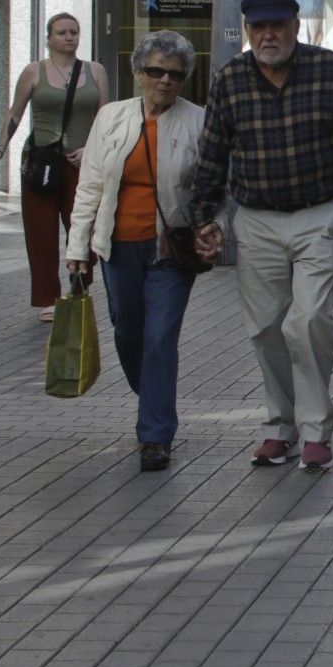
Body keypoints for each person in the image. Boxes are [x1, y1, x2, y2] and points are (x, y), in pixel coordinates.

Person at [191, 0, 333, 474]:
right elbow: (212, 154)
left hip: (317, 214)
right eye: (258, 28)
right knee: (266, 328)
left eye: (277, 25)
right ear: (249, 31)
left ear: (297, 27)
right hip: (253, 220)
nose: (267, 35)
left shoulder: (328, 70)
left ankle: (316, 430)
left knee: (310, 319)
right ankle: (281, 427)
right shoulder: (230, 80)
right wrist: (202, 218)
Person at [67, 31, 205, 472]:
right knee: (128, 333)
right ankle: (153, 397)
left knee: (160, 337)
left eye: (175, 75)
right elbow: (89, 185)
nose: (165, 81)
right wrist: (77, 247)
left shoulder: (199, 121)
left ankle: (155, 434)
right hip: (117, 245)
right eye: (156, 71)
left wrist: (213, 227)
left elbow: (214, 187)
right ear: (138, 72)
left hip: (171, 248)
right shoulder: (110, 117)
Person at [1, 13, 111, 323]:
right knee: (41, 229)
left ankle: (79, 285)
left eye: (74, 32)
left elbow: (104, 117)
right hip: (41, 160)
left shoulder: (95, 71)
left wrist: (91, 148)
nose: (69, 37)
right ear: (49, 38)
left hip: (82, 160)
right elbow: (15, 113)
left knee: (83, 224)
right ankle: (47, 297)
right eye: (61, 32)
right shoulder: (33, 72)